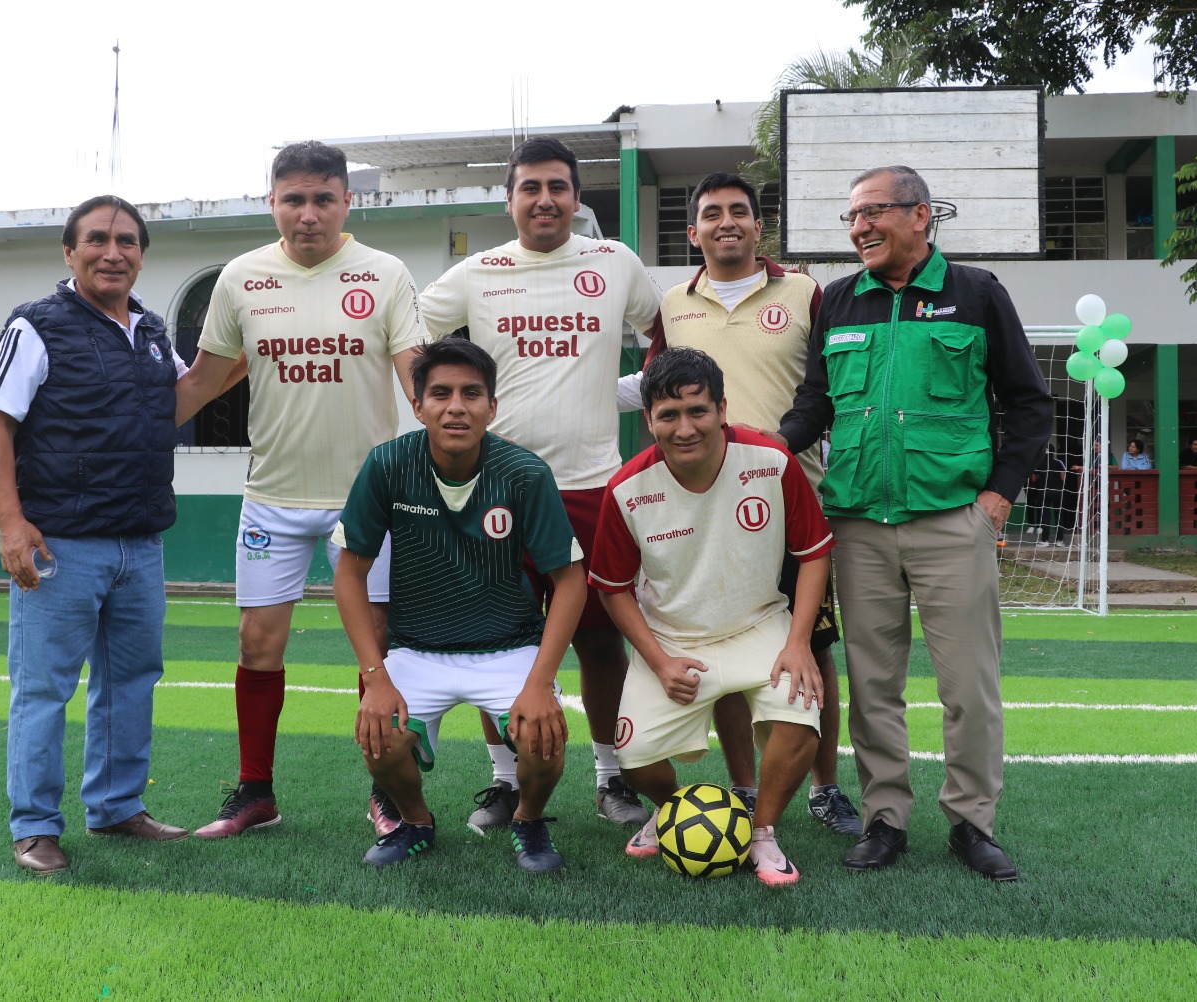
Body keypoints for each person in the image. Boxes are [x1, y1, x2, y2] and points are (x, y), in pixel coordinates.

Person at [775, 165, 1052, 880]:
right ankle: (885, 820)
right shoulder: (837, 302)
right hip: (858, 525)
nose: (859, 227)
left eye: (873, 213)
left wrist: (998, 495)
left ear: (921, 215)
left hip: (951, 521)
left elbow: (1028, 404)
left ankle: (971, 824)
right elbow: (816, 407)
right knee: (872, 687)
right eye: (852, 217)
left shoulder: (977, 293)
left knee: (969, 687)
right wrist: (759, 447)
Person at [174, 141, 426, 839]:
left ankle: (387, 790)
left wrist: (452, 446)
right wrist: (119, 439)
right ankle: (257, 792)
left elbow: (416, 375)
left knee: (374, 648)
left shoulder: (385, 274)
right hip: (273, 497)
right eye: (293, 199)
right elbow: (200, 381)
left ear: (348, 201)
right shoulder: (242, 278)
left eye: (322, 199)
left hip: (369, 500)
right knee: (258, 644)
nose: (308, 214)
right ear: (273, 203)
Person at [420, 135, 663, 833]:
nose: (545, 199)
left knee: (598, 639)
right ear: (510, 200)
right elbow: (409, 334)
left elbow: (661, 334)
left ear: (577, 199)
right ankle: (502, 782)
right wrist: (437, 415)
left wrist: (634, 398)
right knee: (499, 642)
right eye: (530, 187)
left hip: (592, 486)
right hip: (497, 488)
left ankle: (611, 777)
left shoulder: (614, 262)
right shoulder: (478, 272)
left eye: (558, 187)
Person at [617, 171, 860, 835]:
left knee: (812, 645)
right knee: (720, 639)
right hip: (696, 510)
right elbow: (654, 387)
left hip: (789, 501)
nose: (727, 222)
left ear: (758, 226)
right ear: (692, 231)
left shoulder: (807, 293)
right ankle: (745, 787)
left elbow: (829, 387)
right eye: (711, 214)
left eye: (739, 212)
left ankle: (826, 785)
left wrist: (776, 452)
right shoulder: (673, 304)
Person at [0, 196, 196, 875]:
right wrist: (11, 525)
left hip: (142, 544)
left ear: (141, 253)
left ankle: (117, 807)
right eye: (98, 239)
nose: (114, 251)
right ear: (69, 252)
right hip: (60, 547)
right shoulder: (36, 326)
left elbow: (184, 398)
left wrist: (256, 342)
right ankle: (36, 827)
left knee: (131, 681)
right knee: (44, 688)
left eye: (128, 240)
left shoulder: (154, 333)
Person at [334, 337, 585, 872]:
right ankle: (416, 821)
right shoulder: (388, 465)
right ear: (418, 404)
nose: (456, 406)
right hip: (418, 648)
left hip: (510, 645)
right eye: (441, 393)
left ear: (491, 407)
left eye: (472, 394)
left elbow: (570, 581)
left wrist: (541, 681)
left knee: (543, 737)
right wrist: (375, 677)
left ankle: (529, 819)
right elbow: (350, 574)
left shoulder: (523, 473)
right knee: (379, 737)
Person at [592, 348, 834, 886]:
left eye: (697, 411)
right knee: (630, 756)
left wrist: (797, 644)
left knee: (801, 722)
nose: (685, 428)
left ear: (722, 408)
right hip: (673, 638)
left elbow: (814, 552)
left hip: (758, 625)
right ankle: (677, 813)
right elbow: (612, 589)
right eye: (668, 415)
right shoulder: (626, 488)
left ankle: (763, 833)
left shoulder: (772, 460)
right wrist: (657, 662)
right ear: (648, 418)